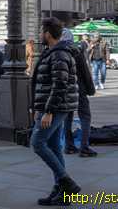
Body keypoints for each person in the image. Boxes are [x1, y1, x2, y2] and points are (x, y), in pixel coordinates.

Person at [30, 18, 82, 206]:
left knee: (37, 142)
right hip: (53, 106)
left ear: (47, 34)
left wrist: (49, 111)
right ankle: (60, 190)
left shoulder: (59, 54)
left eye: (41, 31)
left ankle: (66, 182)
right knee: (53, 146)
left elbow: (59, 84)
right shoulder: (52, 52)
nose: (39, 34)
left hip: (56, 107)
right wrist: (38, 108)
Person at [62, 28, 97, 158]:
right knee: (85, 116)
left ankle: (69, 145)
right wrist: (90, 89)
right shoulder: (76, 51)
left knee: (67, 117)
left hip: (64, 90)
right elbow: (84, 72)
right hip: (78, 88)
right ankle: (84, 147)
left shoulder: (56, 52)